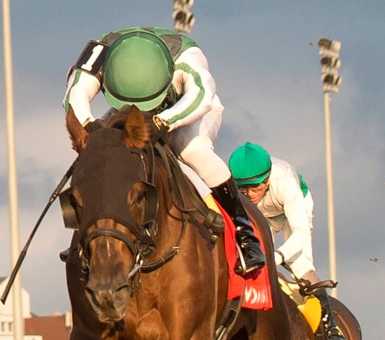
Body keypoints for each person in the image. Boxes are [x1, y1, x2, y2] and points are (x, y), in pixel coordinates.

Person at [62, 27, 265, 274]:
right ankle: (89, 236)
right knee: (105, 155)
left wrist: (163, 121)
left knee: (192, 150)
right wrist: (90, 128)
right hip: (126, 113)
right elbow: (74, 96)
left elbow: (201, 96)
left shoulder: (188, 59)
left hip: (187, 108)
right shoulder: (101, 52)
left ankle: (244, 231)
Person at [228, 142, 346, 340]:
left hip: (293, 212)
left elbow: (300, 234)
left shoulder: (285, 180)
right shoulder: (238, 191)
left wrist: (277, 257)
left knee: (300, 266)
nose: (249, 194)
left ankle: (331, 330)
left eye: (256, 186)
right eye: (243, 188)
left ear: (267, 179)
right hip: (263, 217)